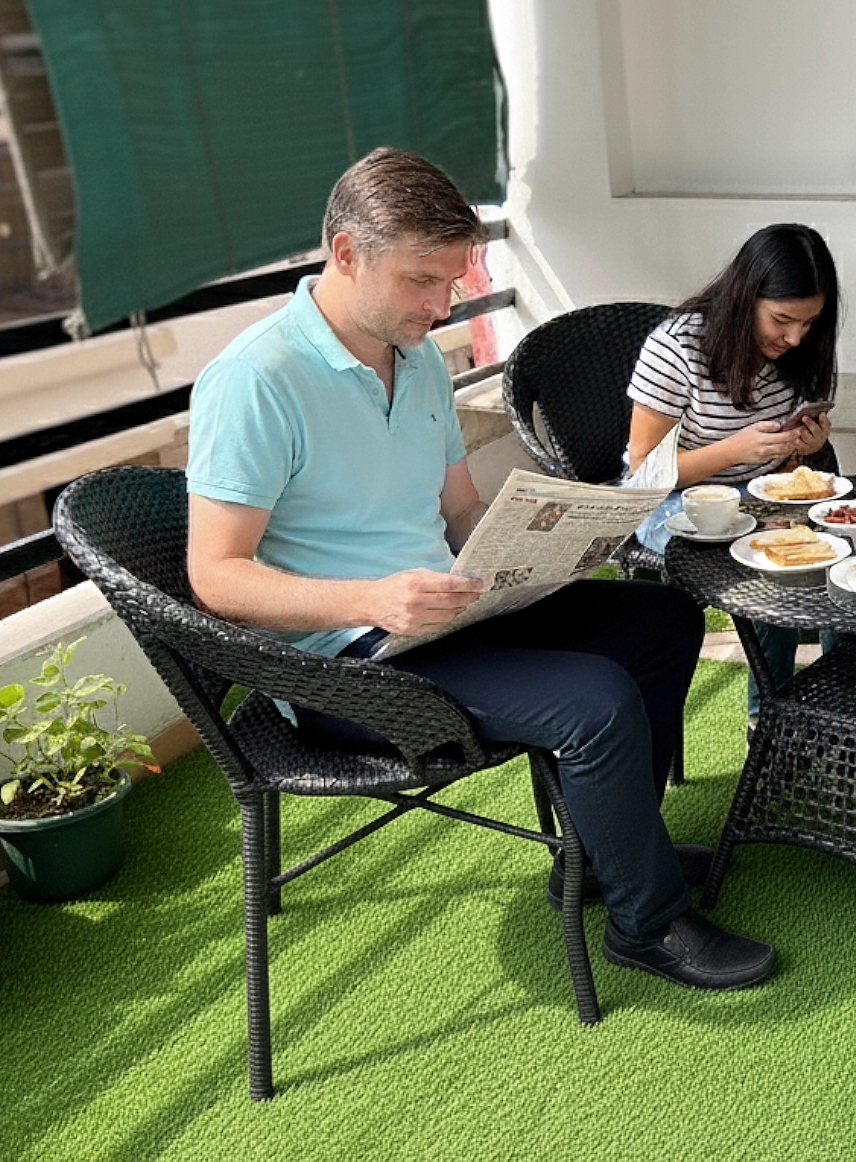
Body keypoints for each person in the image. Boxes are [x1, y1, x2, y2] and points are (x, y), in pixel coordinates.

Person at [185, 147, 774, 992]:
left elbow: (461, 512)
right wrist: (373, 597)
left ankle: (616, 854)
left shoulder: (418, 354)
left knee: (663, 619)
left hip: (446, 610)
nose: (443, 304)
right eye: (423, 280)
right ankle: (647, 926)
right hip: (347, 663)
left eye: (454, 280)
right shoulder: (255, 380)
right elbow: (217, 576)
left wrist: (553, 547)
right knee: (595, 702)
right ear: (347, 254)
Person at [625, 223, 841, 714]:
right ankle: (767, 720)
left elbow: (781, 465)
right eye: (782, 319)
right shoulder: (677, 348)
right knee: (772, 561)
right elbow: (643, 474)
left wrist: (805, 447)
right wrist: (734, 451)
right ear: (746, 297)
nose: (795, 337)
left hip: (754, 491)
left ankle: (834, 696)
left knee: (833, 547)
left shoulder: (800, 350)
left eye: (808, 323)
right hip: (669, 498)